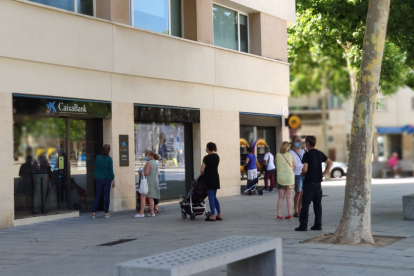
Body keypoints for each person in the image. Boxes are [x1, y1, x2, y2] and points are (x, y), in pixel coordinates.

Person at [295, 136, 332, 231]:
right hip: (318, 183)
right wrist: (324, 173)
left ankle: (303, 225)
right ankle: (318, 224)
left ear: (307, 143)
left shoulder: (307, 155)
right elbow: (330, 162)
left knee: (305, 204)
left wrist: (302, 174)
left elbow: (305, 168)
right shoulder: (320, 153)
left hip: (309, 182)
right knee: (317, 204)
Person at [201, 142, 223, 222]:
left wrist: (203, 173)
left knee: (211, 197)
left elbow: (202, 170)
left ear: (207, 148)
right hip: (215, 178)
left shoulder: (206, 158)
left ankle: (213, 215)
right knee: (214, 196)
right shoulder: (217, 156)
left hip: (209, 179)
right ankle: (219, 214)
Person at [92, 144, 115, 219]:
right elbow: (111, 171)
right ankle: (106, 213)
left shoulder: (98, 157)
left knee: (97, 195)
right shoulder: (109, 159)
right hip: (107, 179)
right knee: (106, 195)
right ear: (108, 151)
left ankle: (94, 213)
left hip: (98, 178)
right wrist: (113, 179)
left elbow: (95, 166)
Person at [135, 151, 160, 218]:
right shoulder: (156, 163)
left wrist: (140, 173)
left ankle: (141, 213)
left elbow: (146, 173)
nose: (146, 157)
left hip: (147, 183)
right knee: (151, 198)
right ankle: (152, 212)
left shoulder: (149, 163)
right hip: (153, 182)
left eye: (147, 155)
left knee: (143, 197)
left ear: (151, 156)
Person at [276, 141, 295, 220]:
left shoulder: (277, 155)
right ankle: (289, 214)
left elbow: (277, 166)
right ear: (286, 147)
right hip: (290, 178)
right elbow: (293, 166)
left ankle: (279, 214)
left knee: (281, 197)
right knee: (289, 197)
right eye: (288, 146)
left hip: (281, 178)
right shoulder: (291, 155)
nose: (289, 148)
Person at [289, 136, 306, 217]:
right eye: (297, 141)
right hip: (297, 174)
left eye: (300, 141)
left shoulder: (303, 151)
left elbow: (308, 158)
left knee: (303, 193)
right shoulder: (291, 152)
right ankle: (296, 210)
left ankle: (301, 209)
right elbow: (294, 164)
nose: (299, 142)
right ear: (293, 142)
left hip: (305, 172)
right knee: (298, 192)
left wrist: (305, 148)